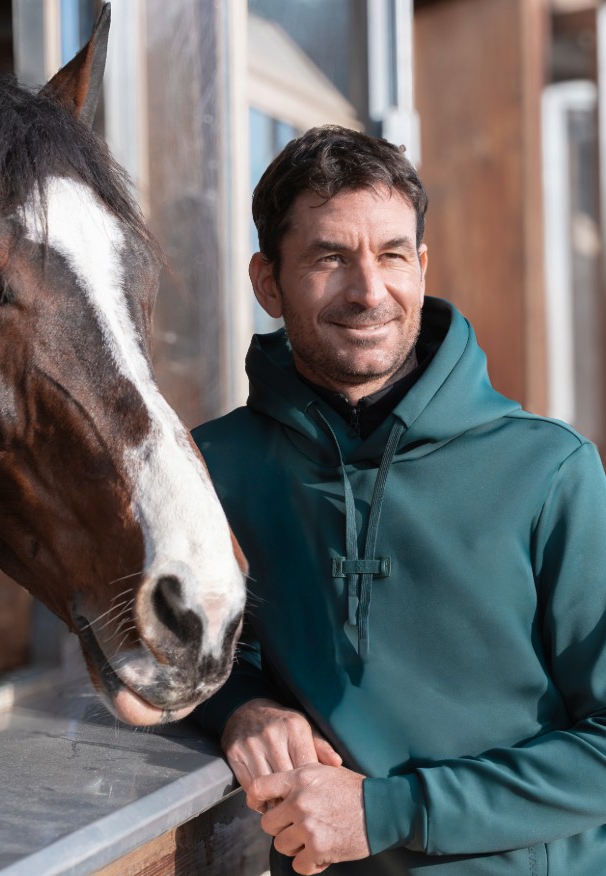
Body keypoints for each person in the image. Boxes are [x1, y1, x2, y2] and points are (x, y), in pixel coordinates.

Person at [192, 125, 606, 875]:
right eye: (329, 258)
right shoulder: (213, 468)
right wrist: (239, 708)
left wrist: (388, 811)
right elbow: (178, 655)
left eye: (391, 255)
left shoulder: (550, 470)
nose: (368, 291)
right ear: (268, 283)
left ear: (421, 267)